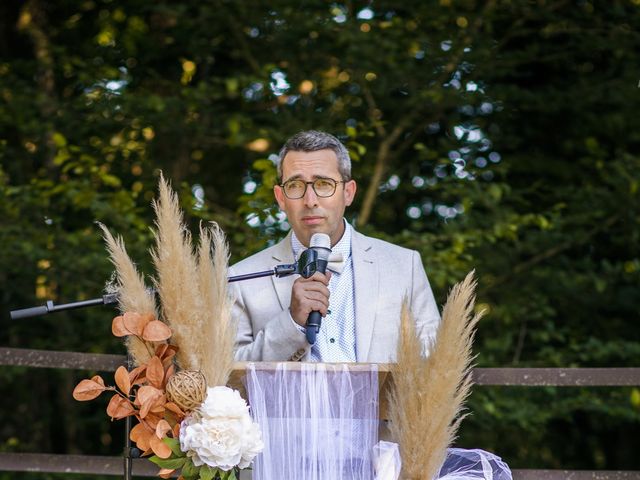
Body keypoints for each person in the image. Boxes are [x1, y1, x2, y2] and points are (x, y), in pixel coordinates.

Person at [230, 130, 440, 362]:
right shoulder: (241, 278)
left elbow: (433, 362)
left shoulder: (403, 266)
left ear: (348, 193)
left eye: (324, 184)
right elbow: (229, 374)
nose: (310, 200)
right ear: (281, 198)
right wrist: (291, 323)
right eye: (295, 185)